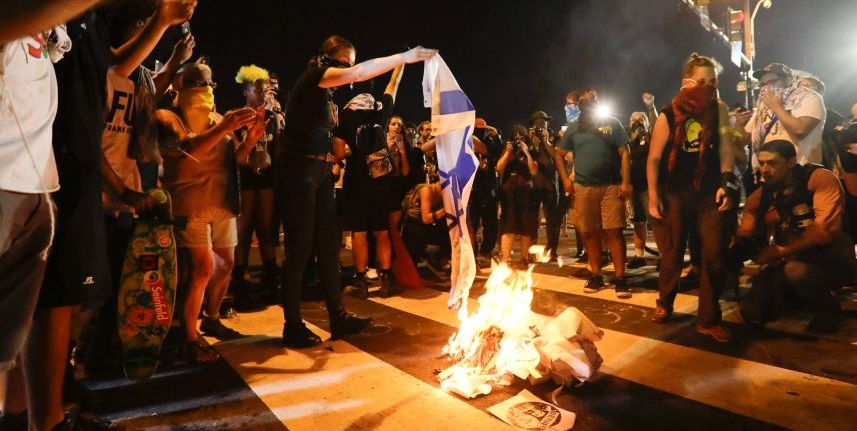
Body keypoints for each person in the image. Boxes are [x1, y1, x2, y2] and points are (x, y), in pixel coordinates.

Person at [3, 2, 197, 430]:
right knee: (53, 302)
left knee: (51, 301)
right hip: (50, 165)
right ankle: (42, 419)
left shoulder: (83, 26)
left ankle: (25, 414)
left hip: (54, 169)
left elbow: (110, 66)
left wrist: (163, 22)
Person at [276, 35, 436, 348]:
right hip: (300, 172)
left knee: (327, 244)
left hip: (320, 172)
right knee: (300, 248)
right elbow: (362, 73)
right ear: (325, 59)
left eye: (349, 65)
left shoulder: (328, 95)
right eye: (342, 63)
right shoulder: (313, 79)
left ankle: (338, 317)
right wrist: (406, 57)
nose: (347, 70)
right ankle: (292, 325)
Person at [156, 61, 266, 361]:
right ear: (178, 88)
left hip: (220, 201)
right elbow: (181, 151)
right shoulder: (167, 117)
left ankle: (212, 317)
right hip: (188, 204)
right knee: (202, 268)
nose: (204, 89)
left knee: (226, 263)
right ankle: (189, 336)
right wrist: (224, 127)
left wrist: (250, 140)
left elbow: (236, 157)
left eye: (208, 83)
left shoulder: (219, 118)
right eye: (196, 83)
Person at [647, 53, 737, 343]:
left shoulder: (719, 109)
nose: (708, 87)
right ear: (687, 82)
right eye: (701, 81)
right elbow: (654, 159)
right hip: (675, 193)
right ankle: (665, 303)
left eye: (712, 82)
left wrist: (726, 181)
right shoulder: (668, 113)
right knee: (672, 253)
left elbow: (725, 148)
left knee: (713, 255)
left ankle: (708, 319)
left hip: (709, 194)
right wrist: (653, 197)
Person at [734, 140, 855, 333]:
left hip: (833, 259)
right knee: (756, 309)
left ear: (791, 162)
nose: (765, 169)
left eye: (773, 163)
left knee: (795, 272)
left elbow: (823, 231)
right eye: (762, 163)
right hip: (794, 257)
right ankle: (797, 297)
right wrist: (737, 247)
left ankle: (829, 310)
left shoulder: (819, 179)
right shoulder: (762, 194)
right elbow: (747, 227)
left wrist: (782, 251)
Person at [332, 66, 405, 298]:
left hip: (356, 179)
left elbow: (338, 153)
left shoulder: (347, 112)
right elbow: (393, 84)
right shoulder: (381, 107)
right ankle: (386, 280)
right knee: (382, 230)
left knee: (360, 232)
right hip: (380, 179)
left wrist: (348, 152)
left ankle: (361, 282)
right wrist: (400, 63)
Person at [557, 89, 632, 298]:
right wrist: (565, 180)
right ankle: (596, 274)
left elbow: (624, 153)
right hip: (583, 187)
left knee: (614, 231)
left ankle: (620, 278)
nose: (589, 103)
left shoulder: (612, 123)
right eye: (585, 101)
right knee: (589, 232)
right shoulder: (574, 128)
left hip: (611, 186)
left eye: (593, 99)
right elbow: (559, 154)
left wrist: (626, 181)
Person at [231, 64, 283, 311]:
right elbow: (234, 154)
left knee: (266, 231)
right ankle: (239, 285)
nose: (262, 93)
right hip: (244, 180)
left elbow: (276, 151)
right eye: (257, 89)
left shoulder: (272, 119)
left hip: (266, 180)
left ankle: (272, 282)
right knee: (242, 234)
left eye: (264, 89)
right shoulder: (235, 116)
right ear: (245, 91)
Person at [736, 63, 825, 189]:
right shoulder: (763, 104)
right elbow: (744, 139)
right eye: (762, 85)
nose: (766, 88)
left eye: (772, 82)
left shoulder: (808, 97)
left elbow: (800, 129)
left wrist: (777, 107)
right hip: (767, 175)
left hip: (798, 173)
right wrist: (739, 124)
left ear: (788, 80)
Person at [496, 125, 539, 266]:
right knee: (509, 225)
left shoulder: (531, 151)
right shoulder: (508, 151)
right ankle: (506, 259)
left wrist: (526, 153)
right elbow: (499, 167)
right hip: (509, 194)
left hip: (526, 192)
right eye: (516, 138)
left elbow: (533, 171)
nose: (518, 140)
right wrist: (508, 153)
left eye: (521, 138)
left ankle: (524, 258)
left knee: (526, 227)